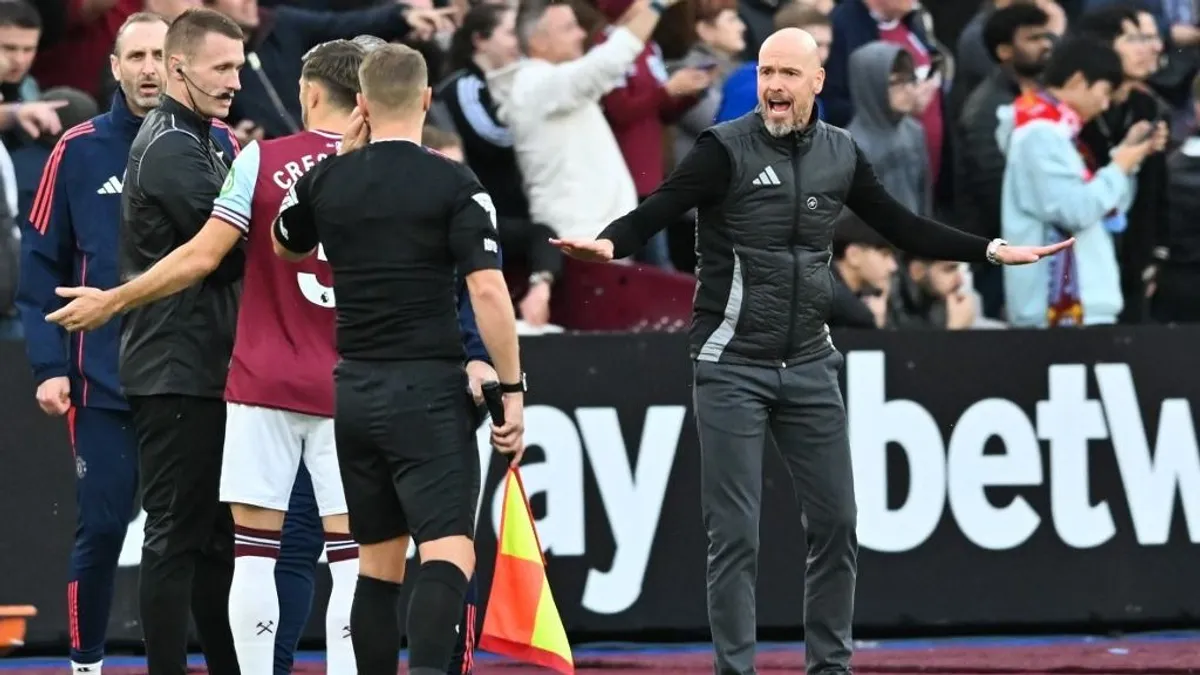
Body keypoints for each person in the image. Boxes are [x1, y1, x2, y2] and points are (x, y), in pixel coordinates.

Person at [551, 27, 1072, 675]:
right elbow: (662, 207)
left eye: (789, 74)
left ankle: (830, 666)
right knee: (735, 535)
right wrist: (610, 241)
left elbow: (903, 226)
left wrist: (991, 250)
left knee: (837, 524)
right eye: (767, 71)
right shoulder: (724, 149)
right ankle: (735, 670)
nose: (773, 85)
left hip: (809, 362)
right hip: (731, 363)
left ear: (817, 82)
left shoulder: (840, 153)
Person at [48, 38, 496, 675]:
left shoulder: (260, 159)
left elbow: (203, 257)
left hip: (262, 381)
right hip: (355, 383)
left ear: (310, 92)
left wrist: (113, 301)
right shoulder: (420, 169)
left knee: (254, 554)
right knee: (359, 560)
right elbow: (464, 281)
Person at [271, 43, 524, 675]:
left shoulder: (327, 177)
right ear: (427, 99)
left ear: (360, 104)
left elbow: (285, 244)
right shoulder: (455, 183)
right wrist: (513, 386)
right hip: (428, 390)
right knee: (448, 553)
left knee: (377, 565)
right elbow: (487, 290)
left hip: (354, 392)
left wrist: (339, 158)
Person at [15, 14, 227, 675]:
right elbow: (39, 266)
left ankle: (217, 658)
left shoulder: (218, 142)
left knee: (202, 537)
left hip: (193, 377)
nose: (148, 68)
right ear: (113, 67)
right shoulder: (76, 150)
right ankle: (86, 663)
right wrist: (50, 366)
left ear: (180, 64)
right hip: (103, 383)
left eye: (160, 55)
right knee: (103, 527)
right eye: (134, 55)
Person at [102, 8, 243, 675]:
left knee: (213, 538)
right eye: (222, 68)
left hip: (204, 364)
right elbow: (230, 250)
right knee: (175, 535)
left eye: (239, 67)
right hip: (176, 366)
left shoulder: (206, 139)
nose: (235, 81)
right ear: (180, 67)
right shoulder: (170, 147)